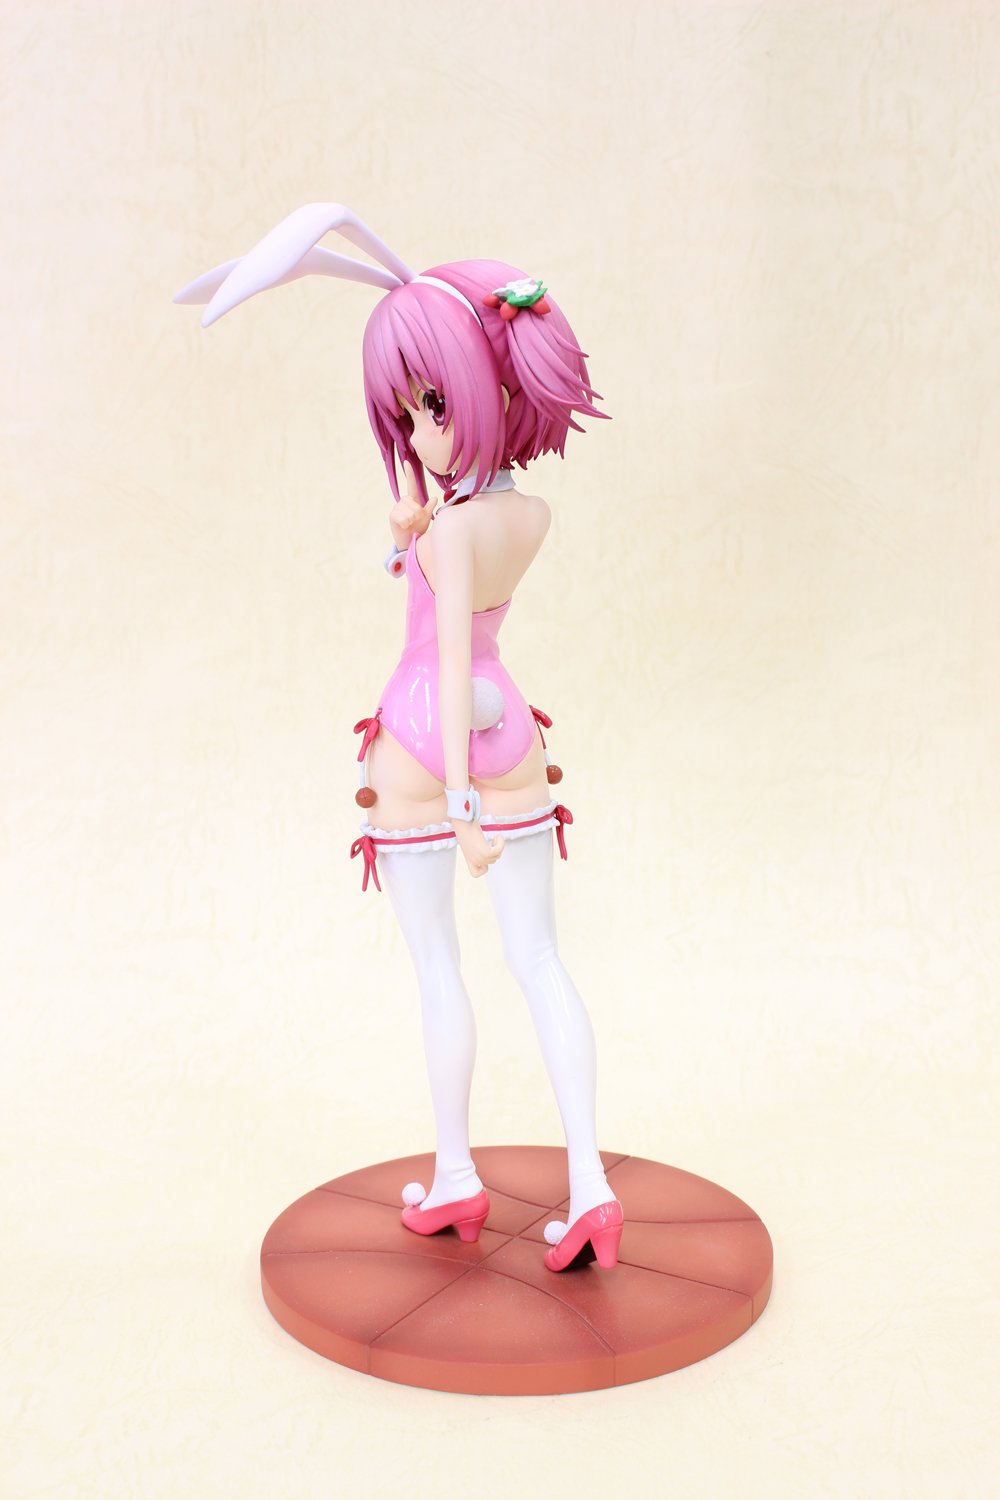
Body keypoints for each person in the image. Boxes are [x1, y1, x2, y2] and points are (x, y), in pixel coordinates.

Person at [174, 204, 624, 1272]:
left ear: (487, 392)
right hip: (514, 729)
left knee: (437, 966)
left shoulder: (456, 529)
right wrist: (409, 532)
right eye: (409, 411)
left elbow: (447, 655)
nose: (419, 431)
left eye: (433, 403)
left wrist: (460, 805)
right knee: (540, 958)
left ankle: (457, 1174)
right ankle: (592, 1189)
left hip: (429, 741)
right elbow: (461, 608)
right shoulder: (526, 517)